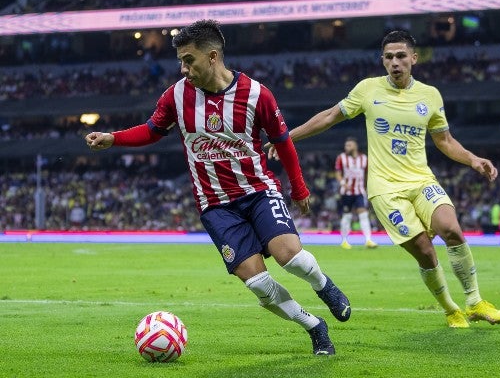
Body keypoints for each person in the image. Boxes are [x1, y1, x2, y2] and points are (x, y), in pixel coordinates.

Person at [85, 19, 351, 355]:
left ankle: (323, 286)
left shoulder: (257, 95)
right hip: (216, 206)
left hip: (258, 192)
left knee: (290, 258)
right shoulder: (176, 96)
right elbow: (153, 130)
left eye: (189, 60)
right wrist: (114, 138)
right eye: (181, 61)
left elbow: (283, 142)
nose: (183, 69)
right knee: (258, 284)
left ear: (212, 56)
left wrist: (298, 188)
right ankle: (315, 327)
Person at [269, 29, 500, 328]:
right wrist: (287, 138)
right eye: (389, 57)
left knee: (452, 229)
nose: (395, 62)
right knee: (424, 250)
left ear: (414, 58)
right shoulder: (368, 90)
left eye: (401, 56)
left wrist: (472, 158)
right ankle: (450, 309)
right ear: (382, 60)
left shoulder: (430, 95)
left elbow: (445, 141)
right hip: (385, 189)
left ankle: (475, 302)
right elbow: (330, 116)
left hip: (421, 180)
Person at [335, 136, 377, 249]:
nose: (346, 147)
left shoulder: (364, 158)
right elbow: (338, 173)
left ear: (355, 146)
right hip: (346, 192)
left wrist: (367, 188)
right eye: (346, 145)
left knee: (363, 214)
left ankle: (368, 240)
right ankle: (344, 241)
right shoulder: (341, 158)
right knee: (347, 216)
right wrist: (343, 183)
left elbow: (367, 175)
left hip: (359, 191)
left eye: (349, 145)